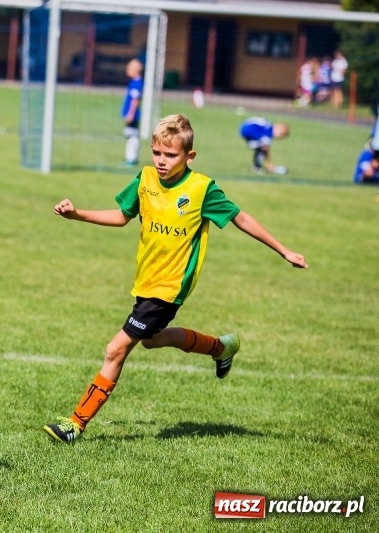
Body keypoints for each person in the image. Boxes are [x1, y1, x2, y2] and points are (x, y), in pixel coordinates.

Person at [43, 114, 308, 444]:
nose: (162, 161)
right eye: (157, 153)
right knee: (153, 340)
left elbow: (241, 218)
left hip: (170, 287)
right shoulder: (145, 179)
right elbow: (122, 216)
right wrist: (77, 214)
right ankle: (220, 347)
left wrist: (284, 251)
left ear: (189, 156)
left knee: (115, 350)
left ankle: (75, 424)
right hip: (146, 280)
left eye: (171, 155)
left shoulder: (201, 189)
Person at [122, 58, 144, 166]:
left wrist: (130, 114)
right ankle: (129, 158)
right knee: (129, 134)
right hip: (131, 114)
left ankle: (132, 159)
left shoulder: (137, 83)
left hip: (133, 115)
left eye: (129, 68)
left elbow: (135, 100)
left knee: (133, 136)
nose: (127, 69)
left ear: (135, 70)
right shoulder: (133, 82)